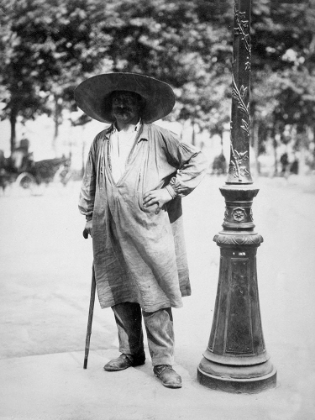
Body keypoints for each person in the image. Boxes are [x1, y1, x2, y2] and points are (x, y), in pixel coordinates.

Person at [75, 72, 208, 389]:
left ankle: (163, 363)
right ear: (110, 107)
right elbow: (90, 182)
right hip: (109, 229)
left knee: (154, 295)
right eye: (117, 100)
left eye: (128, 99)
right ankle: (130, 353)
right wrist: (86, 217)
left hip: (149, 229)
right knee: (120, 291)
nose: (122, 105)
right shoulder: (101, 141)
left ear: (140, 105)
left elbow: (197, 161)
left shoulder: (158, 136)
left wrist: (169, 191)